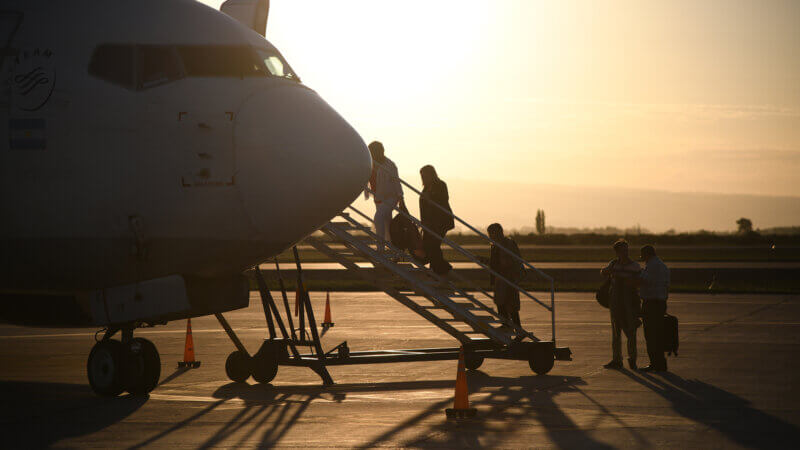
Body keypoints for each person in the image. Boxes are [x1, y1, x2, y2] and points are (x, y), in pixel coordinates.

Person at [600, 239, 641, 370]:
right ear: (617, 252)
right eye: (623, 251)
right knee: (616, 333)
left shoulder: (634, 265)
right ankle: (617, 359)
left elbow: (640, 280)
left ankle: (632, 359)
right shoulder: (613, 264)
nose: (626, 253)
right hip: (615, 302)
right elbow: (602, 271)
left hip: (629, 303)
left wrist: (630, 279)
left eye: (627, 250)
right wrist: (610, 271)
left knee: (631, 332)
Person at [365, 141, 403, 254]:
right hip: (378, 198)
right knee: (387, 225)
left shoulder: (390, 165)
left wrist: (401, 198)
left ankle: (380, 248)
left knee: (378, 218)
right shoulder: (369, 163)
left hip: (391, 197)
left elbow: (397, 182)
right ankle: (394, 249)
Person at [637, 245, 670, 372]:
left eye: (643, 257)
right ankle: (660, 363)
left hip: (651, 303)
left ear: (647, 255)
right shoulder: (662, 265)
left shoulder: (651, 266)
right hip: (661, 303)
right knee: (658, 334)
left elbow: (643, 280)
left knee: (650, 335)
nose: (643, 260)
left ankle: (655, 363)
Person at [419, 165, 454, 275]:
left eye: (425, 175)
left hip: (441, 222)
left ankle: (442, 269)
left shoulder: (441, 185)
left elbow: (444, 199)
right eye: (422, 176)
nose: (424, 178)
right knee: (430, 247)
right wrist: (423, 224)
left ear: (432, 174)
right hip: (429, 224)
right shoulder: (424, 189)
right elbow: (423, 208)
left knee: (433, 245)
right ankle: (439, 270)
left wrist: (431, 198)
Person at [487, 223, 523, 328]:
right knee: (501, 302)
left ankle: (514, 328)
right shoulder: (496, 245)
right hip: (500, 278)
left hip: (507, 278)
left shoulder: (507, 244)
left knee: (509, 304)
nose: (489, 236)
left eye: (491, 233)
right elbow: (495, 263)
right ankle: (507, 325)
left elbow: (508, 261)